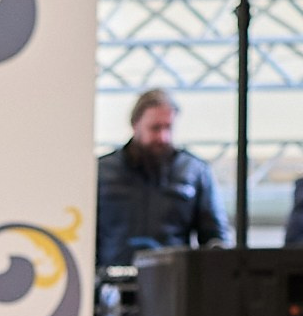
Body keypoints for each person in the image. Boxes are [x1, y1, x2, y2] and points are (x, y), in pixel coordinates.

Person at [94, 87, 229, 269]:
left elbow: (215, 236)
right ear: (135, 125)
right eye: (155, 128)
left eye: (168, 128)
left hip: (174, 284)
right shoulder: (102, 171)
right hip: (111, 285)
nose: (163, 137)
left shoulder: (195, 171)